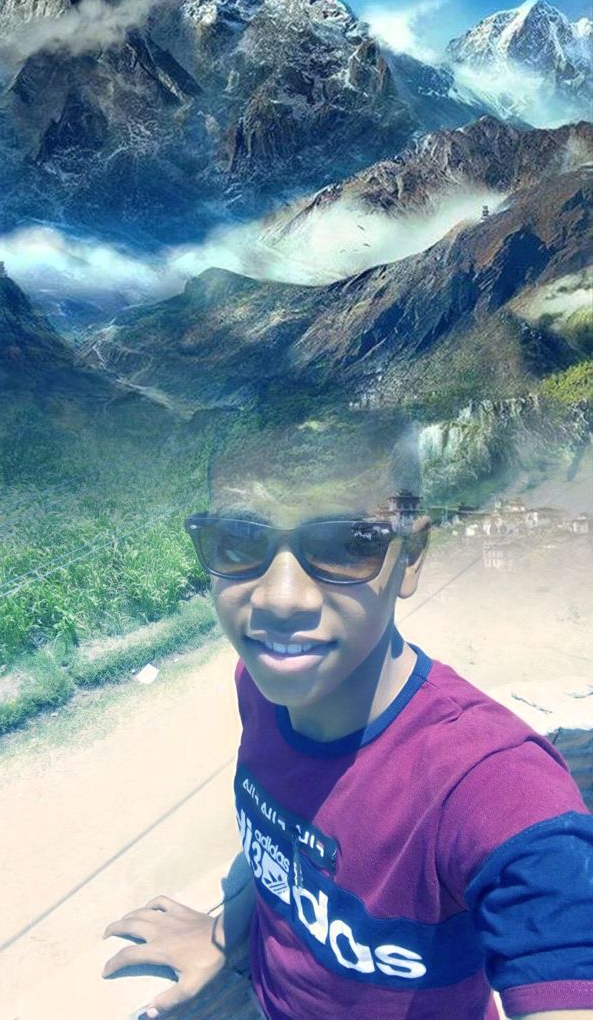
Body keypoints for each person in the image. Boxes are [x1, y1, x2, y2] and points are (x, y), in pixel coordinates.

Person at [102, 413, 593, 1019]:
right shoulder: (262, 689)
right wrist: (227, 933)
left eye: (345, 545)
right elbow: (287, 841)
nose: (280, 598)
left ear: (411, 556)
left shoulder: (486, 784)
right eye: (239, 539)